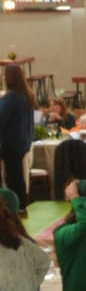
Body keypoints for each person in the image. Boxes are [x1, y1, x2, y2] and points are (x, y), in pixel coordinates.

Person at [0, 63, 35, 210]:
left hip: (10, 144)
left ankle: (11, 208)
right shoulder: (27, 96)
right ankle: (20, 207)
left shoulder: (11, 98)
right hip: (23, 143)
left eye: (4, 75)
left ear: (9, 78)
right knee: (17, 178)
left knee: (13, 180)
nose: (2, 77)